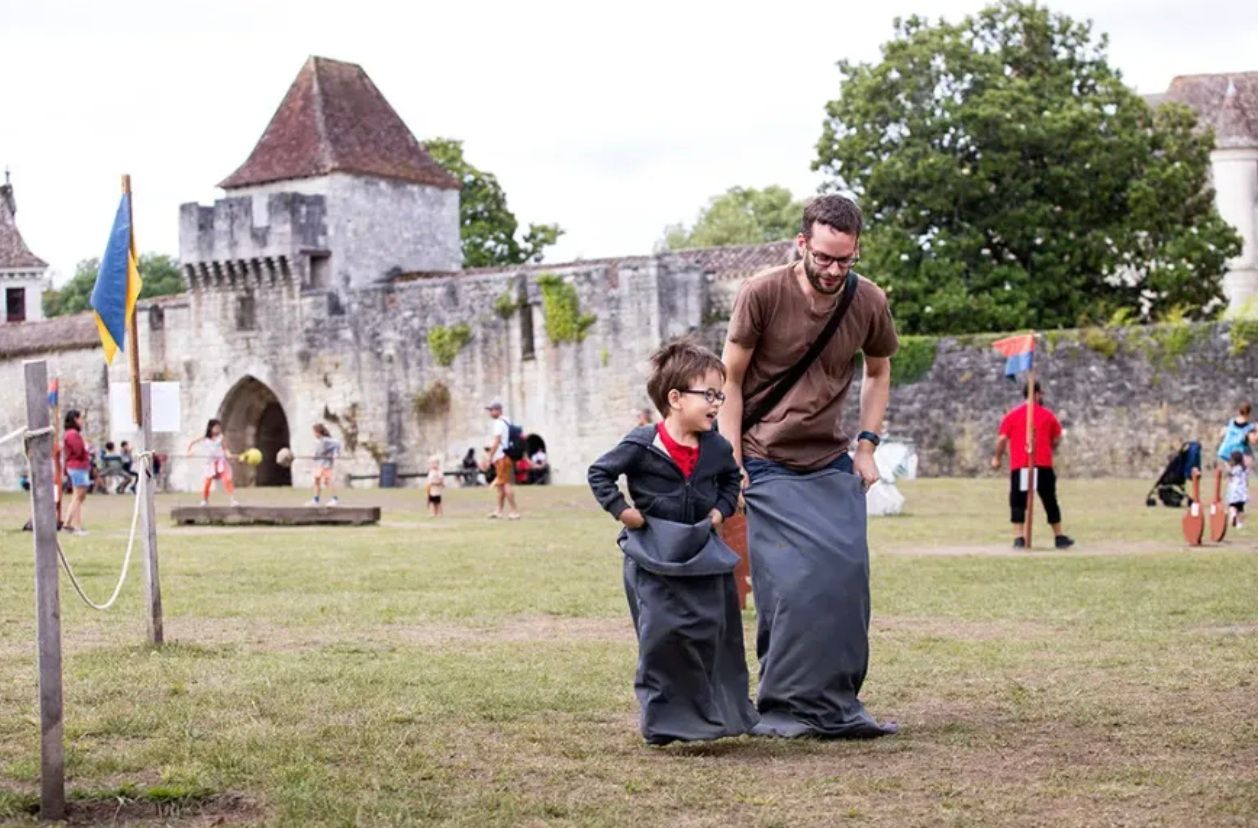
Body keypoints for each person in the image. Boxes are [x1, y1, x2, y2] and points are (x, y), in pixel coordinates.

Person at [720, 194, 899, 739]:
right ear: (802, 244)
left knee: (846, 580)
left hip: (828, 458)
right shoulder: (763, 293)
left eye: (844, 260)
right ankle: (783, 706)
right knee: (791, 587)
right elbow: (730, 376)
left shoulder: (867, 299)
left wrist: (866, 446)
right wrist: (732, 458)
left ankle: (837, 703)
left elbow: (878, 372)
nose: (832, 270)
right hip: (764, 455)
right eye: (823, 258)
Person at [588, 337, 755, 745]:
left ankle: (714, 717)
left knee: (709, 634)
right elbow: (599, 473)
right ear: (676, 398)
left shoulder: (716, 447)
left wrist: (719, 511)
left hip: (702, 554)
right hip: (652, 555)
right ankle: (665, 723)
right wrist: (623, 511)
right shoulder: (643, 444)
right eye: (709, 395)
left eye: (721, 394)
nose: (717, 403)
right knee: (662, 635)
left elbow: (731, 478)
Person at [991, 381, 1075, 549]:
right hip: (1041, 464)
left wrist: (997, 458)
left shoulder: (1012, 415)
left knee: (1018, 501)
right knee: (1049, 500)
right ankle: (1058, 536)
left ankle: (1019, 537)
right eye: (1040, 394)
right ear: (1035, 394)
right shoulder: (1047, 415)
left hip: (1022, 466)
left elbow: (1001, 439)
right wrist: (1050, 447)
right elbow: (1057, 438)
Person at [187, 418, 239, 507]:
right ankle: (205, 500)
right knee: (208, 481)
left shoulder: (221, 438)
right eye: (216, 427)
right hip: (210, 462)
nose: (218, 429)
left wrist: (229, 455)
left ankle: (232, 500)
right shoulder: (205, 438)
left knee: (227, 480)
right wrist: (189, 452)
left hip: (221, 461)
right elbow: (192, 443)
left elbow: (225, 449)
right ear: (210, 428)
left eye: (219, 427)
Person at [484, 400, 520, 520]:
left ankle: (515, 511)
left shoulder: (498, 423)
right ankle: (498, 510)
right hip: (505, 455)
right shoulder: (507, 420)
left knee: (505, 483)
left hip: (502, 457)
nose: (490, 412)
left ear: (499, 410)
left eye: (492, 410)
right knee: (500, 485)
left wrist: (490, 455)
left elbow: (497, 440)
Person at [61, 409, 91, 535]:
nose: (82, 421)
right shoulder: (72, 434)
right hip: (77, 466)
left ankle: (68, 523)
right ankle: (76, 525)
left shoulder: (69, 434)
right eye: (80, 419)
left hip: (76, 466)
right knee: (79, 496)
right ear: (75, 419)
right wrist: (86, 447)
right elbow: (78, 451)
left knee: (77, 496)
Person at [309, 423, 341, 506]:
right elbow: (317, 452)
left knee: (327, 482)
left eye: (315, 432)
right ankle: (316, 500)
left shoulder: (326, 440)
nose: (314, 434)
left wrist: (335, 454)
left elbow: (337, 443)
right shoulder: (318, 441)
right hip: (318, 464)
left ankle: (334, 499)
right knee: (317, 481)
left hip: (325, 464)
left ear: (319, 432)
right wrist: (314, 456)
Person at [1217, 402, 1256, 468]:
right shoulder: (1249, 427)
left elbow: (1221, 434)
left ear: (1239, 411)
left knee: (1232, 476)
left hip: (1227, 453)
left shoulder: (1230, 422)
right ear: (1249, 413)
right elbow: (1254, 441)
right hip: (1239, 455)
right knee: (1239, 476)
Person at [1227, 449, 1248, 529]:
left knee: (1232, 505)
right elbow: (1246, 478)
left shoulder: (1235, 469)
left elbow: (1231, 476)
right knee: (1240, 508)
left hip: (1234, 491)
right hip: (1242, 491)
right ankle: (1240, 524)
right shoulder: (1244, 469)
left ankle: (1233, 515)